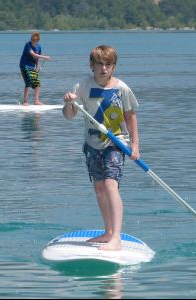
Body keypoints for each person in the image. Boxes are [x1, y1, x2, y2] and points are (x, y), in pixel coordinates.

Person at [62, 45, 140, 251]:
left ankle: (117, 237)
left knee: (110, 185)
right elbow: (69, 115)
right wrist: (69, 103)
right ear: (92, 66)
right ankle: (108, 232)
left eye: (108, 65)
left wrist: (135, 144)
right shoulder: (82, 86)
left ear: (113, 67)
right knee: (98, 187)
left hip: (116, 143)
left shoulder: (122, 88)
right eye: (99, 65)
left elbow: (130, 116)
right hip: (91, 144)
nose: (103, 68)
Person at [19, 32, 51, 106]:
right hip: (24, 65)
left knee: (37, 83)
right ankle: (25, 101)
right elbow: (33, 54)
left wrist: (37, 68)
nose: (34, 43)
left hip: (32, 66)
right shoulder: (28, 44)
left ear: (38, 41)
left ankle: (36, 101)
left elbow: (36, 58)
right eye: (33, 41)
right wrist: (45, 57)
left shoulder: (38, 47)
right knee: (28, 82)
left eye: (35, 41)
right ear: (31, 40)